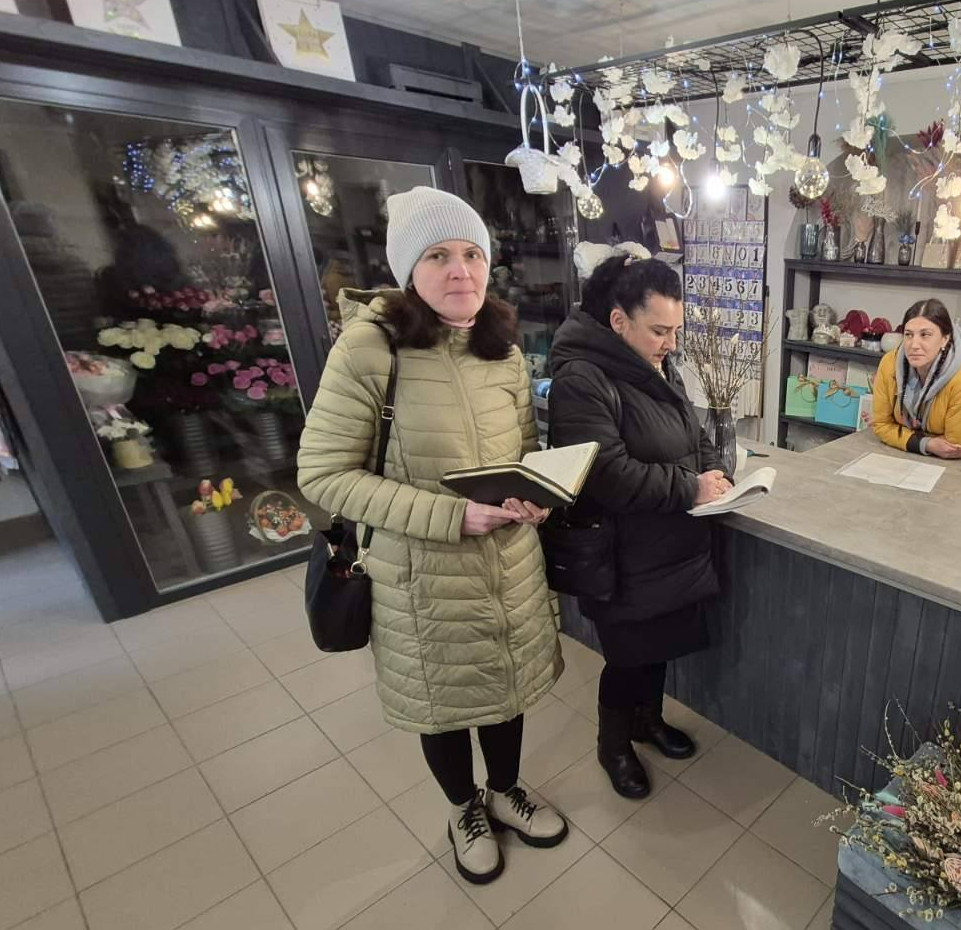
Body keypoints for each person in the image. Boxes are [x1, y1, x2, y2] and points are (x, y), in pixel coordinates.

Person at [298, 186, 567, 886]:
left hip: (508, 564)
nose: (460, 271)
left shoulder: (502, 349)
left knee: (504, 686)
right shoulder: (369, 348)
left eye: (472, 254)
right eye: (439, 256)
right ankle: (463, 808)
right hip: (422, 573)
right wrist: (450, 517)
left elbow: (524, 452)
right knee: (443, 699)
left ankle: (504, 791)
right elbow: (323, 475)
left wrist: (535, 498)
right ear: (408, 271)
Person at [547, 255, 729, 799]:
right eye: (659, 330)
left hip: (667, 546)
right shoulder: (582, 378)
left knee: (658, 649)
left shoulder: (654, 362)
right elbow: (606, 474)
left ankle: (648, 720)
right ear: (618, 320)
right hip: (621, 553)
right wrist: (690, 488)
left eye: (675, 330)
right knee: (626, 658)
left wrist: (715, 470)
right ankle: (613, 745)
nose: (670, 343)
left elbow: (693, 432)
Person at [871, 298, 961, 458]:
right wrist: (926, 444)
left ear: (945, 339)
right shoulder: (890, 364)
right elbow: (881, 425)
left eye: (925, 335)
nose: (914, 345)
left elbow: (953, 446)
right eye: (909, 335)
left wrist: (901, 435)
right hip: (922, 454)